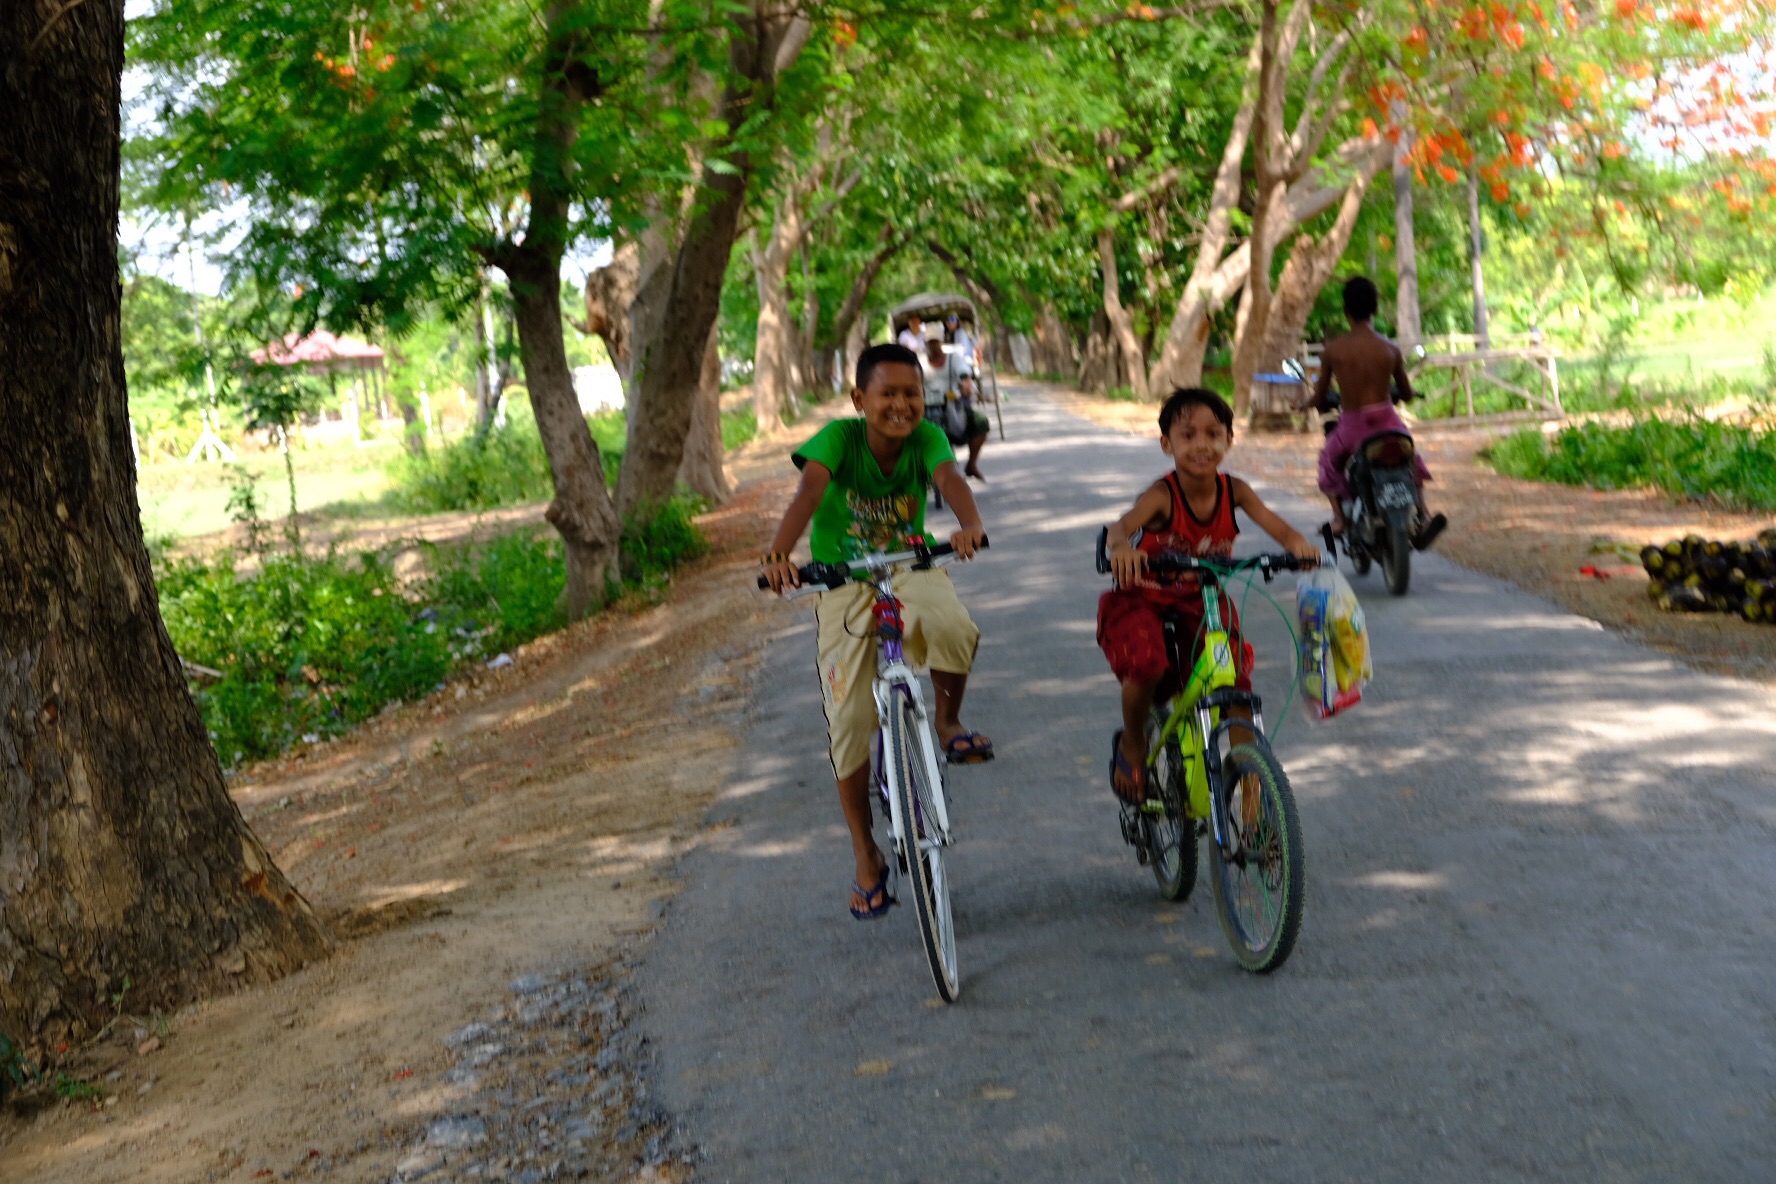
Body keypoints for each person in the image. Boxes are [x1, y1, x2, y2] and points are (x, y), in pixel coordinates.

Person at [761, 342, 994, 920]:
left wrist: (969, 524)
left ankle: (946, 721)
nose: (900, 404)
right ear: (859, 399)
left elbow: (950, 478)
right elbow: (808, 494)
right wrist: (778, 555)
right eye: (886, 393)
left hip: (907, 564)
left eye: (911, 393)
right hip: (841, 579)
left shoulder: (927, 440)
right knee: (848, 722)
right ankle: (866, 855)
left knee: (953, 627)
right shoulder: (838, 441)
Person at [1098, 388, 1320, 801]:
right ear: (1167, 444)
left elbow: (1281, 528)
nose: (1202, 444)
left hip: (1199, 598)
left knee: (1235, 683)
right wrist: (1121, 549)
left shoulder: (1235, 491)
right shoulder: (1162, 495)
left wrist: (1298, 547)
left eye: (1213, 433)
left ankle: (1256, 802)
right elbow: (1120, 526)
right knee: (1146, 665)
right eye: (1188, 435)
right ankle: (1132, 742)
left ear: (1229, 441)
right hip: (1142, 596)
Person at [1301, 276, 1446, 549]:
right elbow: (1404, 392)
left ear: (1346, 311)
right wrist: (1410, 395)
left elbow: (1320, 396)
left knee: (1327, 461)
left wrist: (1305, 404)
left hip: (1353, 427)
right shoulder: (1391, 349)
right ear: (1376, 309)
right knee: (1410, 458)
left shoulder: (1333, 350)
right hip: (1388, 422)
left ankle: (1340, 518)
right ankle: (1424, 513)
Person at [923, 335, 990, 480]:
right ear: (925, 344)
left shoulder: (953, 358)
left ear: (941, 342)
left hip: (954, 406)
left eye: (936, 342)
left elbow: (963, 372)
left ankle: (971, 464)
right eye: (930, 343)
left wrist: (966, 382)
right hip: (926, 409)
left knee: (981, 422)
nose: (933, 346)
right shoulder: (920, 362)